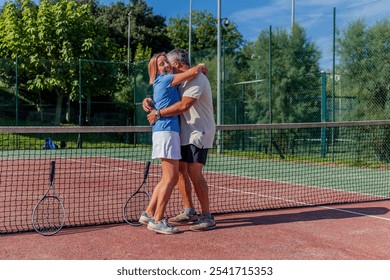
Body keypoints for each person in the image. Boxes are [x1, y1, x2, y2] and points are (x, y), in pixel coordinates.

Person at [142, 49, 216, 231]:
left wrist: (158, 113)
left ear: (175, 64)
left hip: (199, 132)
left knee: (193, 172)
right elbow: (165, 94)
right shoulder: (178, 82)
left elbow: (184, 105)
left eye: (168, 62)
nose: (167, 66)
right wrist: (150, 101)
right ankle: (189, 210)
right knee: (181, 171)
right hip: (182, 133)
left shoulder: (197, 79)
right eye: (162, 63)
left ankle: (207, 216)